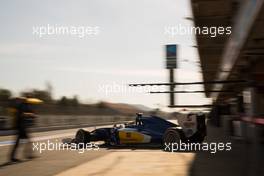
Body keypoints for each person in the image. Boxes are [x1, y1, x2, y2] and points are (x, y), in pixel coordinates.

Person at [9, 97, 42, 162]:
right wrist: (30, 114)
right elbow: (21, 114)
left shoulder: (21, 106)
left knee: (20, 143)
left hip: (21, 127)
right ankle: (28, 155)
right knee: (27, 142)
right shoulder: (21, 106)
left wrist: (30, 114)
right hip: (21, 127)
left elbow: (22, 114)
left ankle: (14, 157)